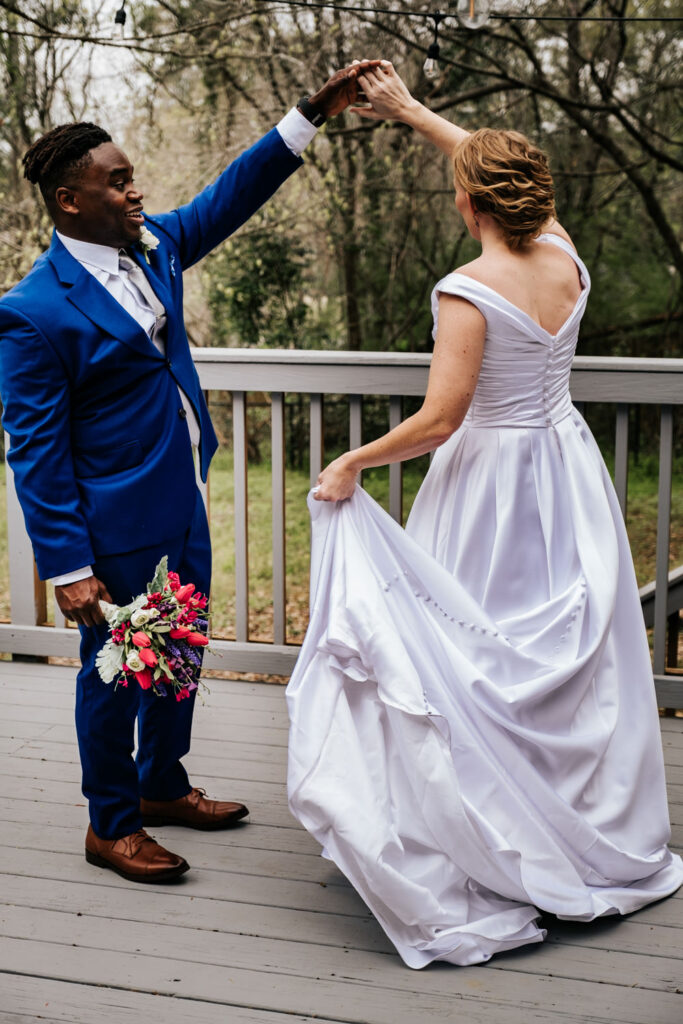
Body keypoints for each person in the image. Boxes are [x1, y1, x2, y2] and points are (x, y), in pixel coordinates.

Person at [286, 63, 683, 968]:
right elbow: (496, 172)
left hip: (490, 485)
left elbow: (439, 419)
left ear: (469, 206)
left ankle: (492, 836)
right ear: (532, 200)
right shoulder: (564, 256)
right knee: (561, 662)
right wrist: (413, 113)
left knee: (469, 650)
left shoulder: (468, 290)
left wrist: (350, 460)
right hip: (565, 469)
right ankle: (576, 821)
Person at [0, 61, 381, 884]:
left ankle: (161, 786)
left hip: (181, 500)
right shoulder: (34, 312)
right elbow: (32, 448)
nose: (135, 192)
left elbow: (226, 197)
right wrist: (68, 568)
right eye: (117, 182)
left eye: (133, 178)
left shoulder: (152, 245)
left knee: (180, 652)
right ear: (71, 201)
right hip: (112, 527)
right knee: (118, 673)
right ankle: (111, 824)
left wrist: (311, 112)